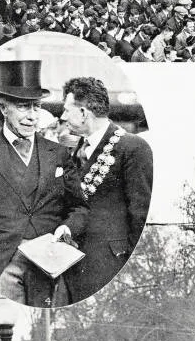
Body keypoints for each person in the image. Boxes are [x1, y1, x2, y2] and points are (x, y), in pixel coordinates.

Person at [0, 60, 87, 306]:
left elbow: (79, 208)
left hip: (48, 266)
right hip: (2, 265)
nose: (32, 116)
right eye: (24, 107)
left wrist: (67, 228)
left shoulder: (58, 154)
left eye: (36, 107)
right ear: (4, 108)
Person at [60, 76, 152, 301]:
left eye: (66, 110)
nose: (62, 117)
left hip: (110, 269)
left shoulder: (132, 148)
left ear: (83, 113)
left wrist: (127, 272)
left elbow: (140, 216)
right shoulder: (75, 150)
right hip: (71, 267)